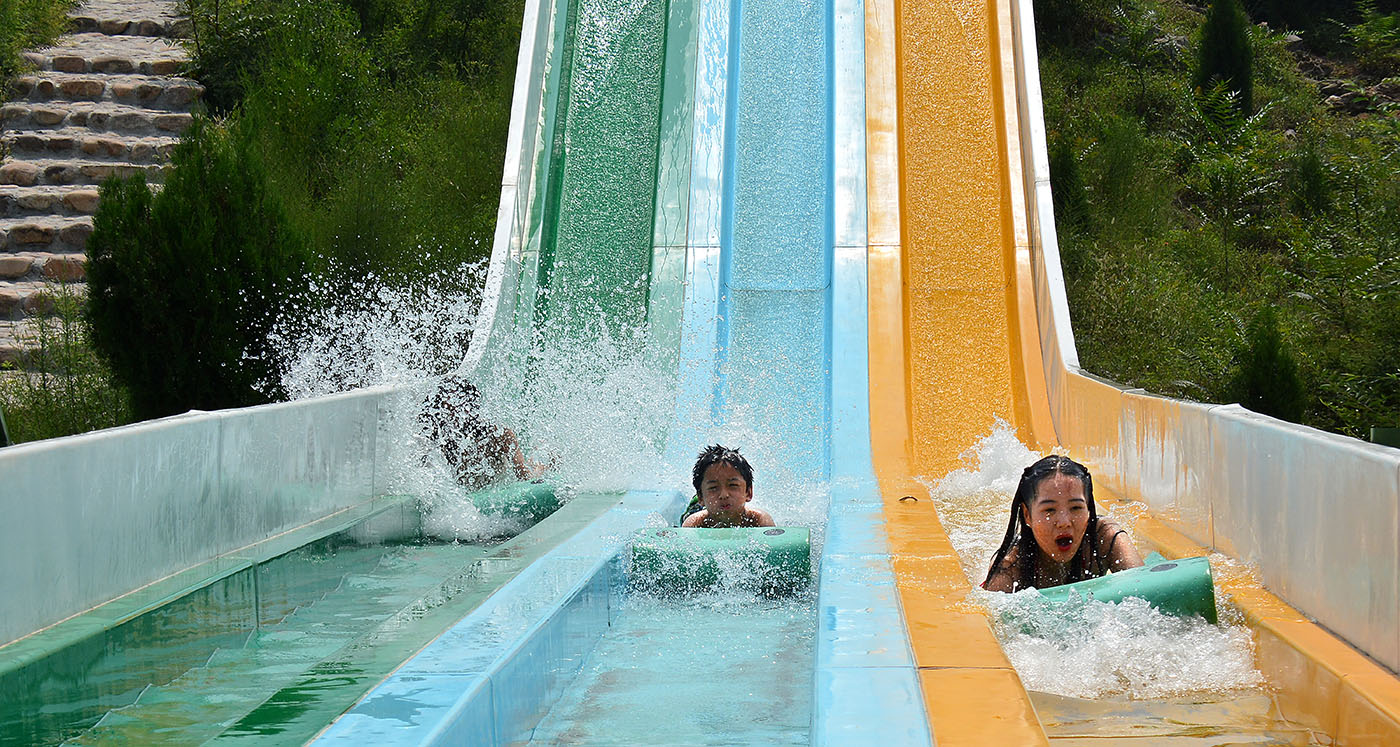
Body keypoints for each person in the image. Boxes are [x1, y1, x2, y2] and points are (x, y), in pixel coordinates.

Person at [982, 455, 1142, 593]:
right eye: (1049, 510)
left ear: (1088, 509)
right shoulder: (1010, 567)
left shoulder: (1105, 539)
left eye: (1076, 507)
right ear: (1027, 516)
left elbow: (1144, 588)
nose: (1064, 522)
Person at [420, 375, 547, 488]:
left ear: (471, 406)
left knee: (530, 471)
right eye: (447, 410)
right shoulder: (439, 445)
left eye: (458, 407)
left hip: (501, 485)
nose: (453, 415)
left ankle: (545, 462)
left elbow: (524, 477)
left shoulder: (498, 434)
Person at [680, 444, 776, 528]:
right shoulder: (695, 523)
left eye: (733, 485)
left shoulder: (759, 520)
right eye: (713, 487)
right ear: (701, 497)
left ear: (748, 492)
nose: (724, 495)